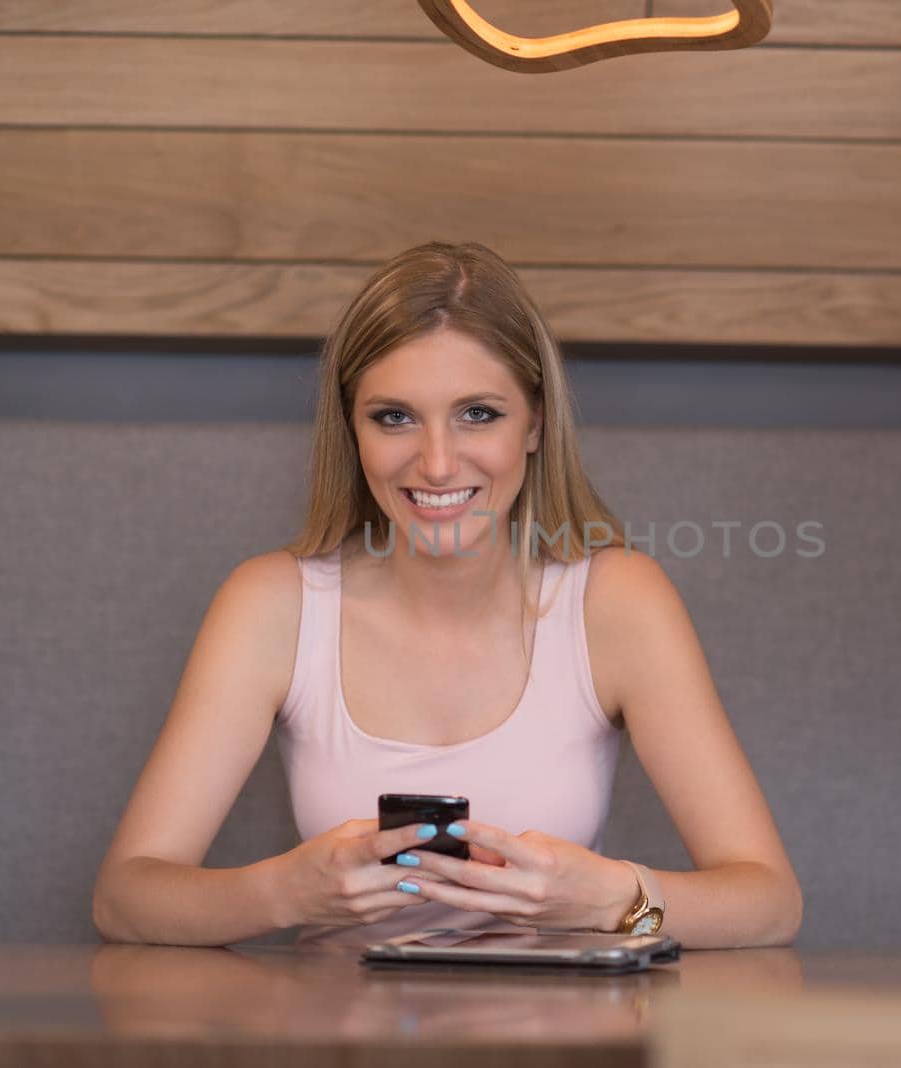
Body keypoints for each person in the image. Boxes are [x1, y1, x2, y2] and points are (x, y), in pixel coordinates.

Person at [91, 241, 802, 949]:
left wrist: (611, 897)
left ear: (536, 424)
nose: (435, 463)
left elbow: (769, 902)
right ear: (353, 432)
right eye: (394, 417)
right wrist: (287, 890)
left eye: (478, 414)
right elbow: (125, 899)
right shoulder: (273, 604)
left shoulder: (615, 603)